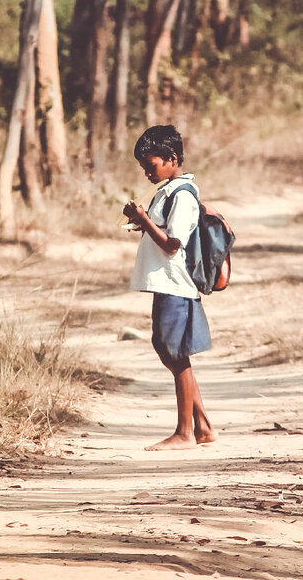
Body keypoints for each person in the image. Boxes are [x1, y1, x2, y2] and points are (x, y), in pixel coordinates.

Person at [123, 125, 217, 451]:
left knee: (175, 354)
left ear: (172, 158)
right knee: (170, 351)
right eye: (144, 167)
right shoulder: (168, 191)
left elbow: (173, 244)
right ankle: (202, 425)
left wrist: (144, 219)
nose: (147, 172)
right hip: (164, 284)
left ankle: (185, 432)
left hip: (175, 283)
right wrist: (141, 219)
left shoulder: (184, 196)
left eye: (151, 165)